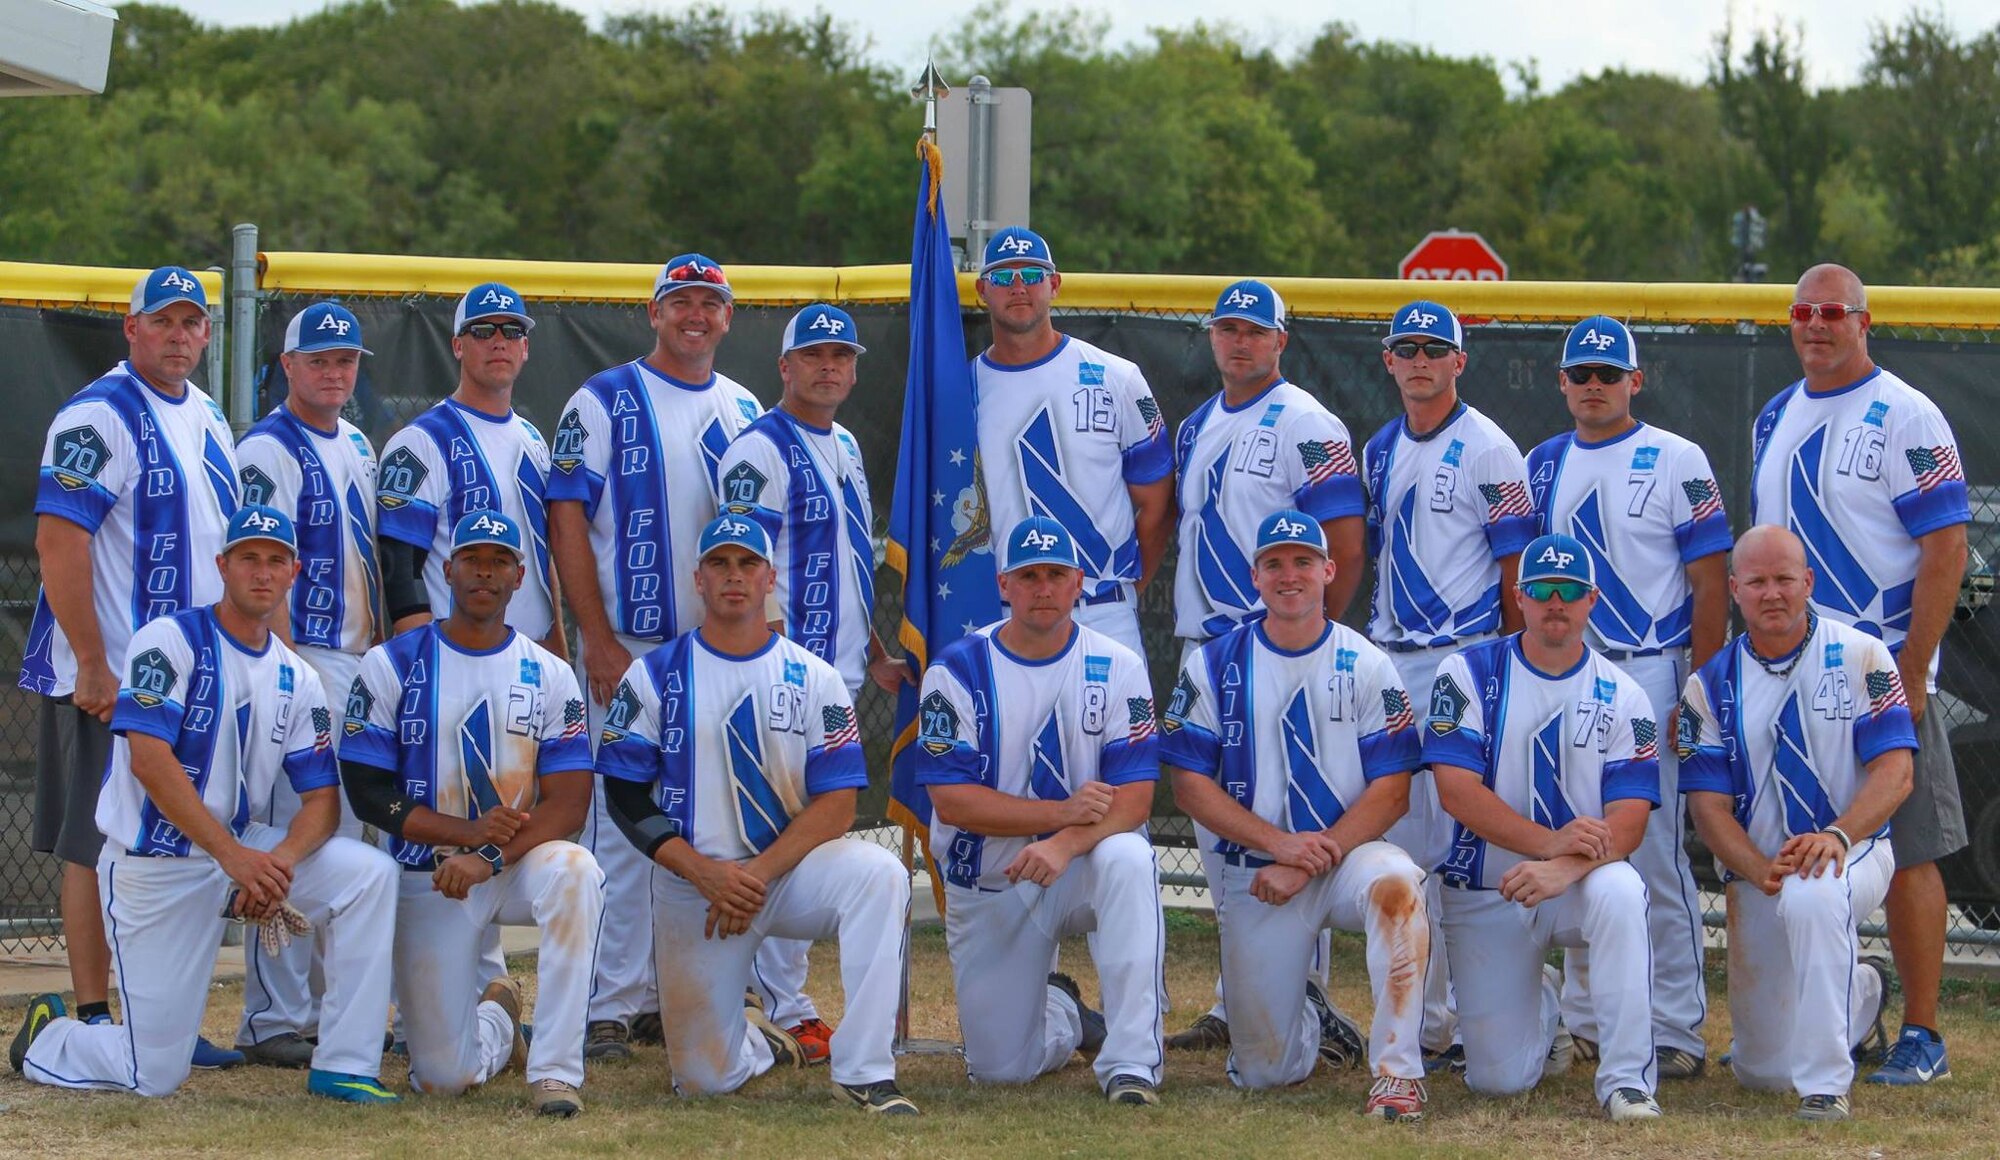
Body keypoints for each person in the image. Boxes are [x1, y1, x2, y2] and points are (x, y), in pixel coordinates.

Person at [9, 505, 398, 1104]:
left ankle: (344, 1064)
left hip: (241, 855)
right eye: (248, 558)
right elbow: (149, 761)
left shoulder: (299, 677)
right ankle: (50, 1037)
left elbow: (321, 800)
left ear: (294, 571)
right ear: (222, 565)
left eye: (275, 560)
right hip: (156, 864)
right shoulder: (167, 641)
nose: (262, 573)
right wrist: (235, 858)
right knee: (153, 1074)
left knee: (370, 875)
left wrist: (280, 864)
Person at [595, 513, 917, 1114]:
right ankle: (766, 1040)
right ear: (698, 578)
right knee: (703, 1081)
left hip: (787, 876)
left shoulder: (816, 677)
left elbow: (839, 803)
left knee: (881, 874)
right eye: (720, 563)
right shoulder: (655, 674)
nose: (734, 576)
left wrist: (757, 875)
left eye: (748, 564)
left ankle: (866, 1069)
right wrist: (701, 871)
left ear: (770, 578)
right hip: (698, 887)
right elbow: (623, 793)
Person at [19, 264, 247, 1070]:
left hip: (186, 681)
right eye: (164, 322)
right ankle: (87, 1014)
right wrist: (91, 661)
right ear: (132, 327)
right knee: (98, 840)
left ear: (208, 334)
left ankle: (161, 1022)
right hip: (109, 676)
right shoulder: (97, 415)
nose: (179, 336)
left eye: (192, 323)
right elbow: (59, 541)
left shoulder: (209, 415)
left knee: (165, 845)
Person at [1748, 263, 1970, 1086]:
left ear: (1864, 321)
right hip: (1788, 673)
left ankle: (1923, 1034)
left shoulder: (1908, 412)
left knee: (1911, 850)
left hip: (1879, 665)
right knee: (1787, 846)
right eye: (1802, 311)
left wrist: (1913, 666)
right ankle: (1811, 1018)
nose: (1815, 324)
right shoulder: (1776, 412)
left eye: (1832, 311)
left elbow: (1946, 547)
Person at [548, 253, 764, 1062]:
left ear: (729, 317)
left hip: (719, 653)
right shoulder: (602, 399)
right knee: (618, 823)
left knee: (712, 819)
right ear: (654, 313)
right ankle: (608, 1001)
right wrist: (595, 636)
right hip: (632, 647)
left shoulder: (744, 406)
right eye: (681, 302)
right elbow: (567, 519)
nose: (695, 315)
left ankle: (670, 995)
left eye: (710, 303)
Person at [1164, 510, 1431, 1121]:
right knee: (1263, 1073)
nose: (1290, 576)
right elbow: (1187, 786)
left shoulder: (1368, 663)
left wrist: (1312, 856)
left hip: (1351, 854)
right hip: (1261, 867)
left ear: (1328, 572)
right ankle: (1312, 1016)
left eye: (1303, 562)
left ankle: (1397, 1075)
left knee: (1399, 887)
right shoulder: (1211, 665)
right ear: (1254, 576)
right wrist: (1281, 848)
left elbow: (1392, 793)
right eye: (1275, 564)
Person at [341, 511, 603, 1117]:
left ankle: (556, 1072)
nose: (485, 572)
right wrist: (462, 837)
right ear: (448, 570)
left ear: (518, 578)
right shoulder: (391, 663)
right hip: (428, 872)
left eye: (500, 561)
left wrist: (486, 854)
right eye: (473, 560)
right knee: (442, 1077)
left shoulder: (550, 673)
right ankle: (499, 1019)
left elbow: (569, 802)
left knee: (577, 872)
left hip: (510, 863)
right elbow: (365, 789)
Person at [1164, 279, 1369, 1054]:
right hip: (1207, 649)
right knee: (1223, 839)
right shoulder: (1195, 425)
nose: (1238, 342)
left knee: (1292, 823)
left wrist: (1309, 642)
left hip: (1281, 650)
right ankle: (1238, 999)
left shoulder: (1308, 421)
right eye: (1227, 329)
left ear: (1281, 340)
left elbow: (1343, 547)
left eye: (1254, 330)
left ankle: (1306, 1000)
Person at [1525, 315, 1730, 1079]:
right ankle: (1586, 1018)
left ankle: (1674, 1025)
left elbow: (1712, 580)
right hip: (1565, 670)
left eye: (1610, 374)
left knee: (1652, 851)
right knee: (1577, 837)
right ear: (1562, 383)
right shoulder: (1541, 463)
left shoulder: (1677, 457)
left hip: (1651, 669)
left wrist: (1700, 686)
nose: (1594, 386)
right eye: (1581, 374)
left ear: (1636, 381)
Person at [714, 303, 911, 1062]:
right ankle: (779, 1003)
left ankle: (783, 1001)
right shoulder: (758, 449)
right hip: (784, 673)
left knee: (811, 833)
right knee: (782, 831)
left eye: (842, 355)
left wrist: (880, 649)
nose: (830, 367)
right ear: (785, 367)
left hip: (842, 668)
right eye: (815, 355)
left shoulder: (848, 443)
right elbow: (743, 564)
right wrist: (765, 663)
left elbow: (851, 561)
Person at [916, 516, 1166, 1106]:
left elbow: (1135, 798)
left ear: (1079, 583)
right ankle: (1066, 1013)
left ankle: (1132, 1064)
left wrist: (1064, 842)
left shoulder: (1119, 665)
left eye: (1057, 574)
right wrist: (1059, 814)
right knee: (1000, 1070)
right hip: (992, 879)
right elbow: (952, 800)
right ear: (1004, 584)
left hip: (1075, 867)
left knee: (1130, 858)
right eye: (1029, 576)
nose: (1044, 588)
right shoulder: (955, 670)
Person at [1424, 533, 1664, 1122]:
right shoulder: (1466, 672)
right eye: (1542, 591)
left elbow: (1628, 824)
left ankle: (1626, 1079)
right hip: (1487, 888)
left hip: (1577, 885)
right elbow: (1455, 792)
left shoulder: (1626, 695)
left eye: (1570, 591)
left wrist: (1565, 867)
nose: (1556, 602)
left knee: (1622, 889)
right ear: (1519, 597)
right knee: (1498, 1082)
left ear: (1592, 600)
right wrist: (1548, 844)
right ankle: (1547, 1008)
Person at [1680, 525, 1908, 1121]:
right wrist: (1759, 871)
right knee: (1760, 1072)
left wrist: (1837, 835)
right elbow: (1708, 808)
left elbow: (1896, 774)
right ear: (1734, 589)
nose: (1772, 592)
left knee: (1815, 892)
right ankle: (1860, 992)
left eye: (1785, 579)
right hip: (1762, 868)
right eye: (1757, 581)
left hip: (1854, 848)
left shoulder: (1863, 654)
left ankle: (1826, 1087)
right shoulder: (1709, 684)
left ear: (1808, 582)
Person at [1363, 300, 1539, 1068]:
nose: (1421, 360)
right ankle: (1424, 1021)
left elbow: (1517, 576)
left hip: (1462, 654)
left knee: (1468, 839)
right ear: (1389, 359)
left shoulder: (1492, 449)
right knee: (1404, 842)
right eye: (1408, 348)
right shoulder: (1376, 448)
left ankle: (1488, 1015)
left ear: (1460, 361)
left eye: (1437, 348)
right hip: (1393, 653)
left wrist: (1498, 667)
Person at [232, 301, 383, 1068]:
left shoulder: (355, 438)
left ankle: (330, 1007)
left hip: (357, 655)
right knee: (296, 827)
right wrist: (286, 670)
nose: (334, 371)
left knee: (348, 839)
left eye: (345, 359)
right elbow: (265, 567)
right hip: (307, 654)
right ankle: (272, 1016)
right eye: (319, 359)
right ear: (287, 366)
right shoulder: (268, 446)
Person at [971, 226, 1174, 657]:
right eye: (1004, 277)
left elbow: (1158, 502)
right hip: (1003, 614)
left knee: (1122, 729)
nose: (1019, 286)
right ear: (982, 290)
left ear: (1055, 285)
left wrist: (1124, 588)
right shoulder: (962, 390)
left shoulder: (1117, 377)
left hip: (1102, 610)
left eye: (1033, 273)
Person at [377, 281, 565, 656]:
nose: (499, 342)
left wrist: (558, 640)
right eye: (482, 331)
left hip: (531, 656)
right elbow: (400, 568)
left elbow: (545, 554)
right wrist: (421, 658)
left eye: (512, 331)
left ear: (525, 348)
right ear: (458, 346)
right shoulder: (423, 441)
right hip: (454, 654)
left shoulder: (532, 438)